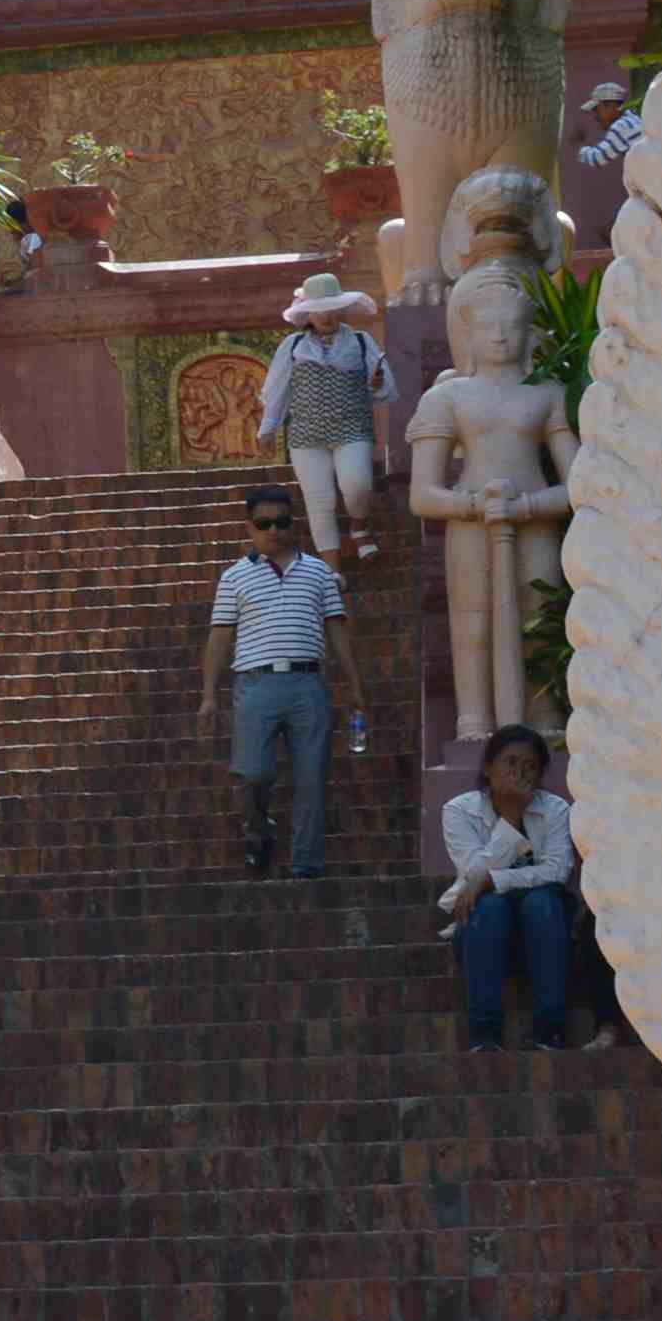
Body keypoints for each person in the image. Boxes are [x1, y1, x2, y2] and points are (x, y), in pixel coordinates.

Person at [195, 481, 368, 878]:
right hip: (256, 684)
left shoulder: (319, 573)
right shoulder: (234, 577)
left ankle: (306, 865)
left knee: (311, 779)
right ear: (249, 527)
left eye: (281, 522)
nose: (273, 530)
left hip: (308, 683)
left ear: (294, 524)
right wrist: (208, 695)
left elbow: (337, 629)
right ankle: (258, 830)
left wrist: (356, 685)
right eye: (263, 523)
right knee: (251, 772)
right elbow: (220, 635)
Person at [438, 723, 614, 1048]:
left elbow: (557, 870)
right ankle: (485, 1033)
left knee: (542, 902)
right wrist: (510, 817)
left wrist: (493, 880)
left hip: (545, 930)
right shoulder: (459, 810)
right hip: (485, 933)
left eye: (530, 766)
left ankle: (550, 1030)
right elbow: (472, 870)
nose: (519, 773)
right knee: (490, 906)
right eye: (510, 763)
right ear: (489, 767)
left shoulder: (556, 809)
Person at [257, 274, 394, 565]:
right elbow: (277, 391)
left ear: (341, 309)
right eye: (319, 309)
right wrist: (267, 429)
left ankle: (359, 527)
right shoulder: (293, 346)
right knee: (319, 501)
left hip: (352, 428)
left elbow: (385, 392)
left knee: (357, 484)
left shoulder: (359, 341)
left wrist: (376, 381)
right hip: (307, 435)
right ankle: (331, 569)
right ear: (308, 313)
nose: (326, 316)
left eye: (331, 308)